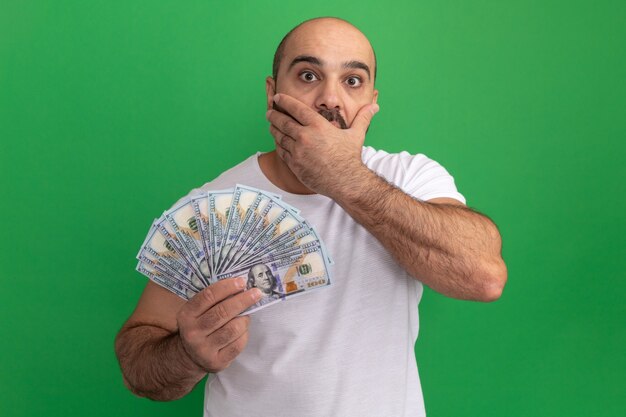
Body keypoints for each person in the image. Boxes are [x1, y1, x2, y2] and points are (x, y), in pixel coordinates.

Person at [115, 17, 507, 417]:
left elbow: (484, 276)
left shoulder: (410, 178)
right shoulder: (212, 211)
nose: (330, 100)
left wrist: (346, 180)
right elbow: (138, 365)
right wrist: (186, 354)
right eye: (307, 75)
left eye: (352, 81)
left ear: (372, 99)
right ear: (273, 92)